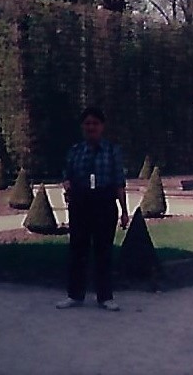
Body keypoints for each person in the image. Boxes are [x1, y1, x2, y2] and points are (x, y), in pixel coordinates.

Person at [56, 107, 129, 311]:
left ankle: (105, 297)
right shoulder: (75, 151)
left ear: (102, 126)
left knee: (103, 250)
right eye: (87, 123)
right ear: (82, 127)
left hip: (104, 202)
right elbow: (67, 175)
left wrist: (124, 211)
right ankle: (74, 295)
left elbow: (119, 182)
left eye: (95, 123)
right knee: (77, 250)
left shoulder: (112, 151)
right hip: (81, 203)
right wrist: (67, 185)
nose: (91, 127)